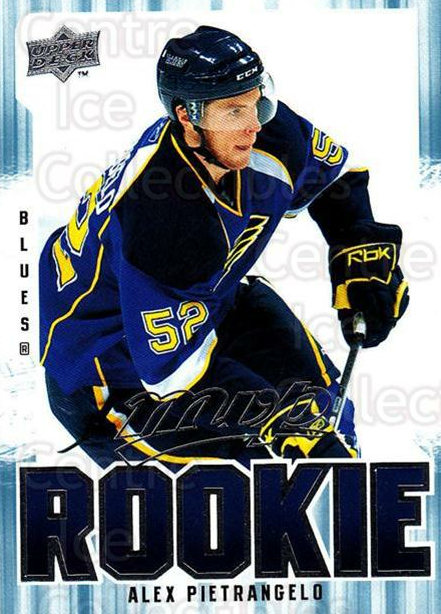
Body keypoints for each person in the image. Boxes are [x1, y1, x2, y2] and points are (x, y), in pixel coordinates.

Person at [39, 25, 409, 469]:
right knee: (243, 477)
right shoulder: (161, 220)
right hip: (110, 369)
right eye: (234, 111)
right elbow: (173, 374)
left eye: (257, 102)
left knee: (326, 416)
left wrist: (359, 251)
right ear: (187, 117)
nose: (254, 126)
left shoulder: (265, 131)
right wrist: (276, 417)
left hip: (212, 302)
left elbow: (335, 182)